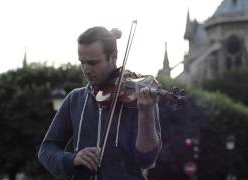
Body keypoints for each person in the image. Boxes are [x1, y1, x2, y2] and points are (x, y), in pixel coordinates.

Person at [38, 26, 162, 180]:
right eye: (82, 62)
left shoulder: (138, 98)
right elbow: (47, 149)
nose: (86, 70)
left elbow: (146, 159)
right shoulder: (74, 99)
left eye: (93, 63)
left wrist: (146, 113)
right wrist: (72, 160)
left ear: (114, 56)